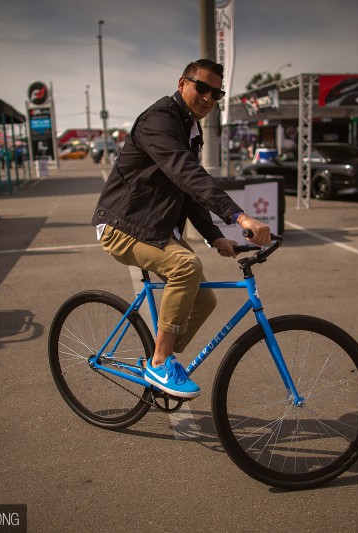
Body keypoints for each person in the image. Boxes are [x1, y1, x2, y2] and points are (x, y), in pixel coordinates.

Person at [92, 59, 271, 399]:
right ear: (182, 83)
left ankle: (162, 355)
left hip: (153, 227)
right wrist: (239, 216)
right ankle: (159, 363)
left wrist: (214, 234)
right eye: (201, 87)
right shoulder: (159, 121)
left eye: (216, 93)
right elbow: (185, 173)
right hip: (122, 223)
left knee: (204, 301)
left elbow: (186, 191)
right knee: (186, 267)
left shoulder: (190, 129)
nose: (207, 97)